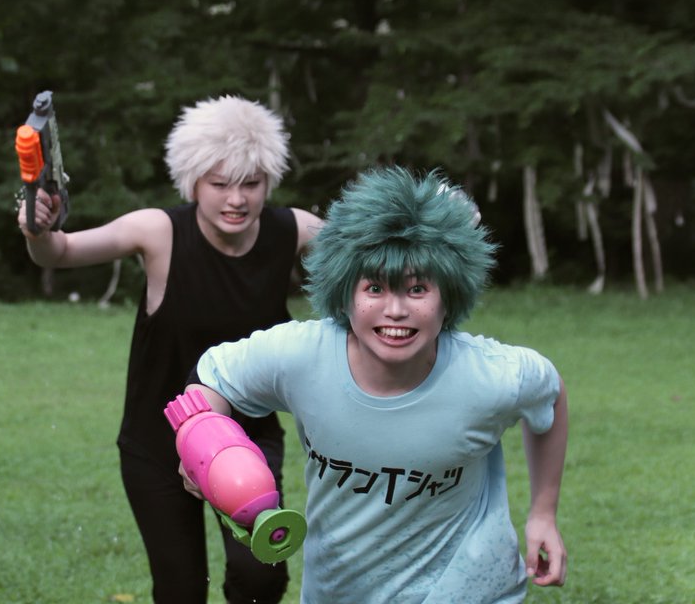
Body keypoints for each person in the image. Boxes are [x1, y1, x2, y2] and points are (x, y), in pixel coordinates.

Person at [173, 166, 569, 603]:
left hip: (470, 586)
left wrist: (543, 513)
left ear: (450, 295)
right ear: (344, 293)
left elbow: (550, 397)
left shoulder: (491, 375)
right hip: (341, 589)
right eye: (375, 288)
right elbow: (211, 380)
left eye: (417, 289)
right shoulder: (301, 355)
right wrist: (203, 441)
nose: (395, 310)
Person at [20, 95, 323, 604]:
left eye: (250, 183)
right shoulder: (157, 232)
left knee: (261, 578)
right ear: (193, 181)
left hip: (248, 440)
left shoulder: (292, 230)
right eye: (219, 184)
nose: (236, 199)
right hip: (156, 445)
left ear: (268, 181)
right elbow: (60, 251)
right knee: (180, 589)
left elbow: (373, 257)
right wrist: (37, 227)